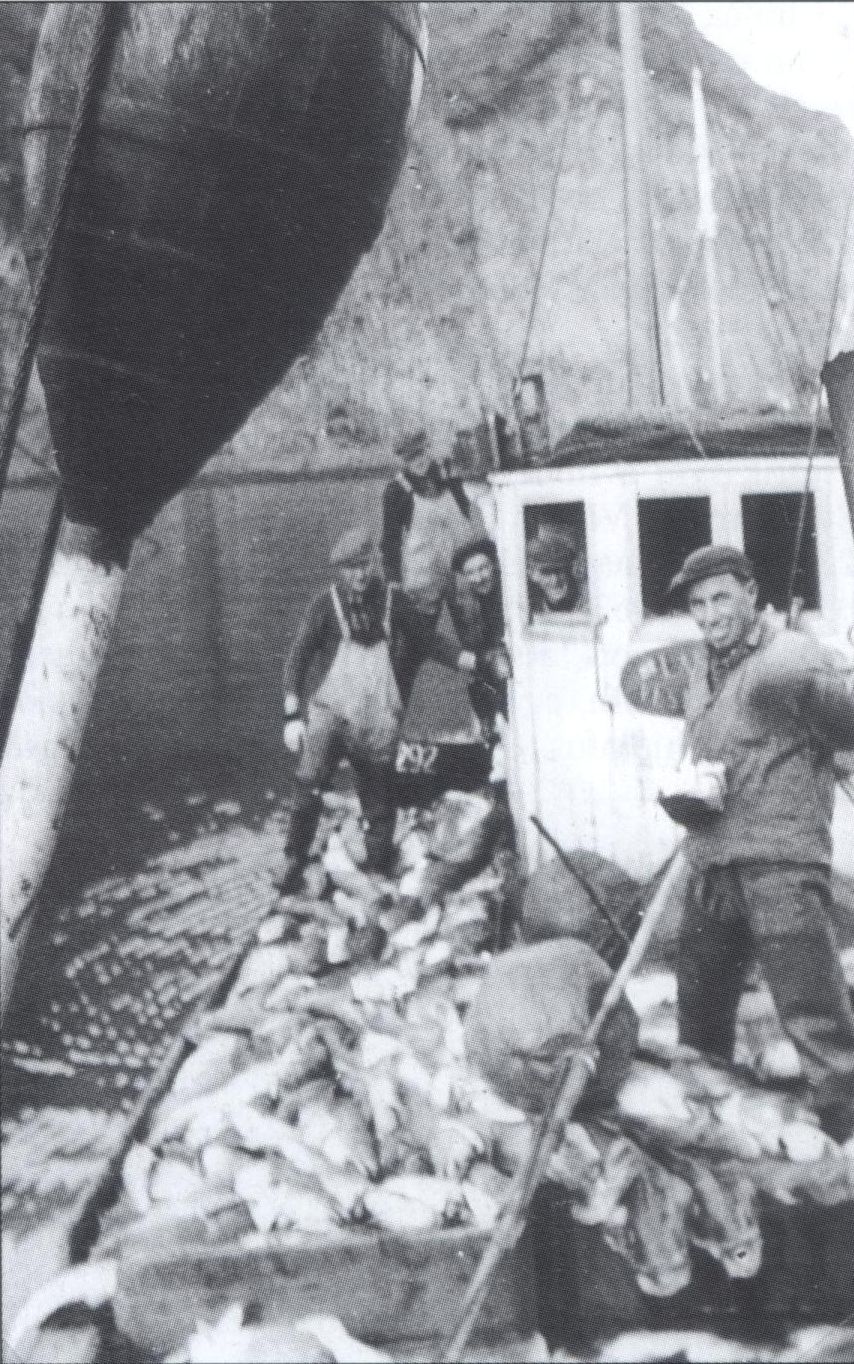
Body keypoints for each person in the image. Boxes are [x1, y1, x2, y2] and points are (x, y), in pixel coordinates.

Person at [665, 544, 854, 1144]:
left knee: (812, 1010)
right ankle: (711, 1124)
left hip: (779, 860)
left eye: (721, 598)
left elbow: (848, 722)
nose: (710, 614)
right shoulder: (700, 670)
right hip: (712, 858)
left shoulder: (791, 657)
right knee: (699, 1008)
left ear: (751, 593)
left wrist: (818, 671)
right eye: (698, 604)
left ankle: (847, 1131)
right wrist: (685, 792)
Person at [278, 527, 478, 890]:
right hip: (330, 716)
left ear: (375, 562)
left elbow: (429, 641)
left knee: (381, 804)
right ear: (341, 570)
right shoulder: (325, 606)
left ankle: (376, 871)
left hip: (376, 723)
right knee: (308, 784)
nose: (360, 574)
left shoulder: (392, 601)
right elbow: (297, 659)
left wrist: (472, 661)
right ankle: (293, 858)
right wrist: (291, 715)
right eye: (352, 568)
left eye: (365, 564)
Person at [381, 426, 487, 627]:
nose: (418, 461)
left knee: (473, 627)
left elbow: (466, 511)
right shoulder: (396, 491)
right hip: (424, 575)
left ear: (427, 449)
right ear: (403, 460)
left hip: (460, 569)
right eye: (411, 458)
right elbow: (390, 540)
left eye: (421, 453)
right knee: (422, 634)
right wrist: (393, 580)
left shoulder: (448, 475)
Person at [448, 536, 510, 740]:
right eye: (470, 573)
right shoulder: (464, 606)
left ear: (494, 566)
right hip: (489, 680)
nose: (479, 578)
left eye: (483, 568)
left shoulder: (509, 593)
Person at [526, 524, 586, 616]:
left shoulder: (588, 604)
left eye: (559, 571)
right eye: (546, 572)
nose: (555, 580)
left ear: (570, 570)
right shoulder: (530, 608)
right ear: (532, 575)